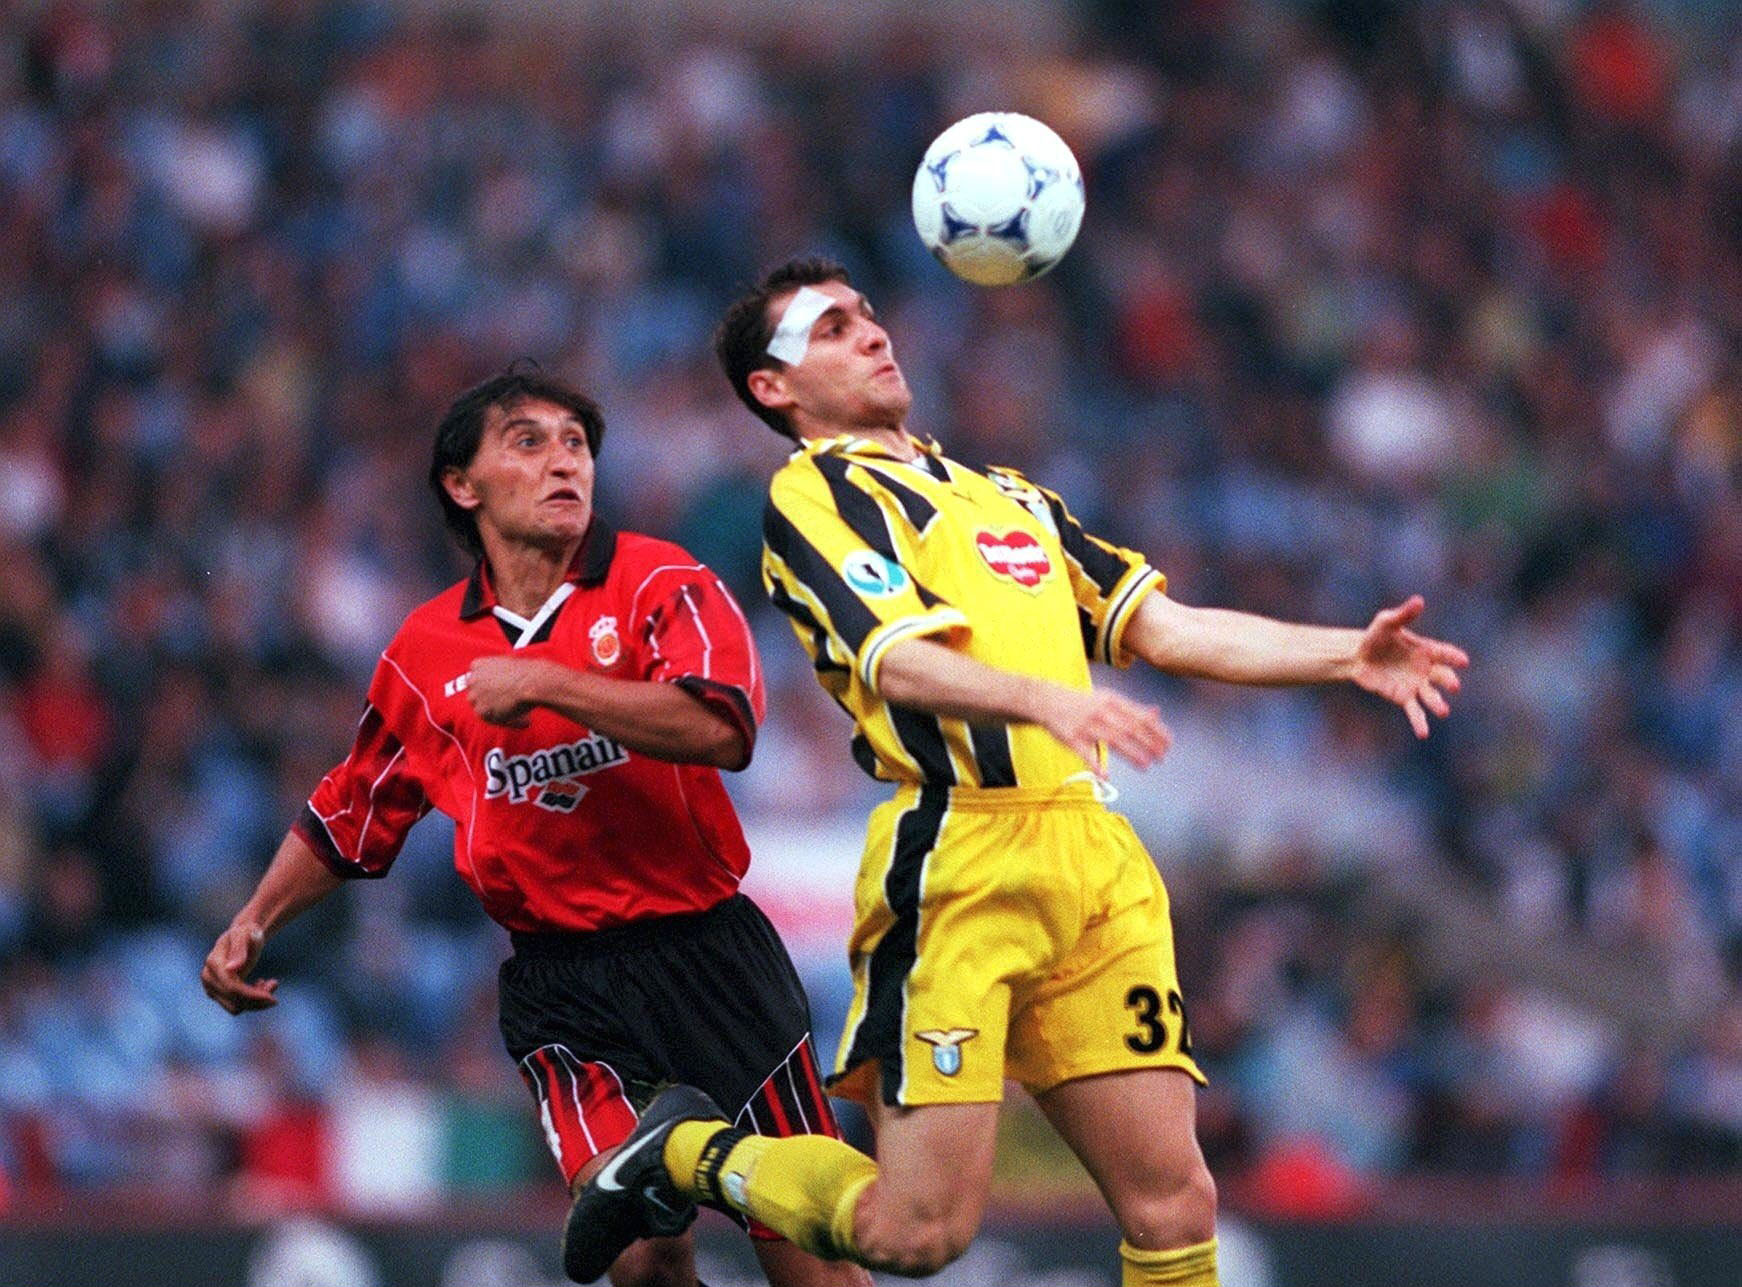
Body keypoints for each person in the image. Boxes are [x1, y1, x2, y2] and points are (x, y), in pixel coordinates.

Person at [560, 260, 1471, 1287]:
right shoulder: (815, 495)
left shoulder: (1008, 496)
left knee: (1175, 1204)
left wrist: (1343, 653)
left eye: (866, 314)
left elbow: (1162, 625)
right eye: (828, 329)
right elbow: (889, 656)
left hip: (1092, 858)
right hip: (961, 854)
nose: (869, 333)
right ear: (773, 389)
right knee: (919, 1234)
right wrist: (1045, 699)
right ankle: (685, 1152)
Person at [200, 367, 870, 1287]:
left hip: (711, 958)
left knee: (814, 1272)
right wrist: (255, 920)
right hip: (564, 983)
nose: (565, 462)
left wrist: (549, 684)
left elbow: (725, 726)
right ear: (461, 483)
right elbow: (349, 813)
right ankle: (669, 1161)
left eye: (578, 443)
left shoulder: (660, 581)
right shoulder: (425, 651)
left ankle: (678, 1156)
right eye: (529, 441)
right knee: (637, 1263)